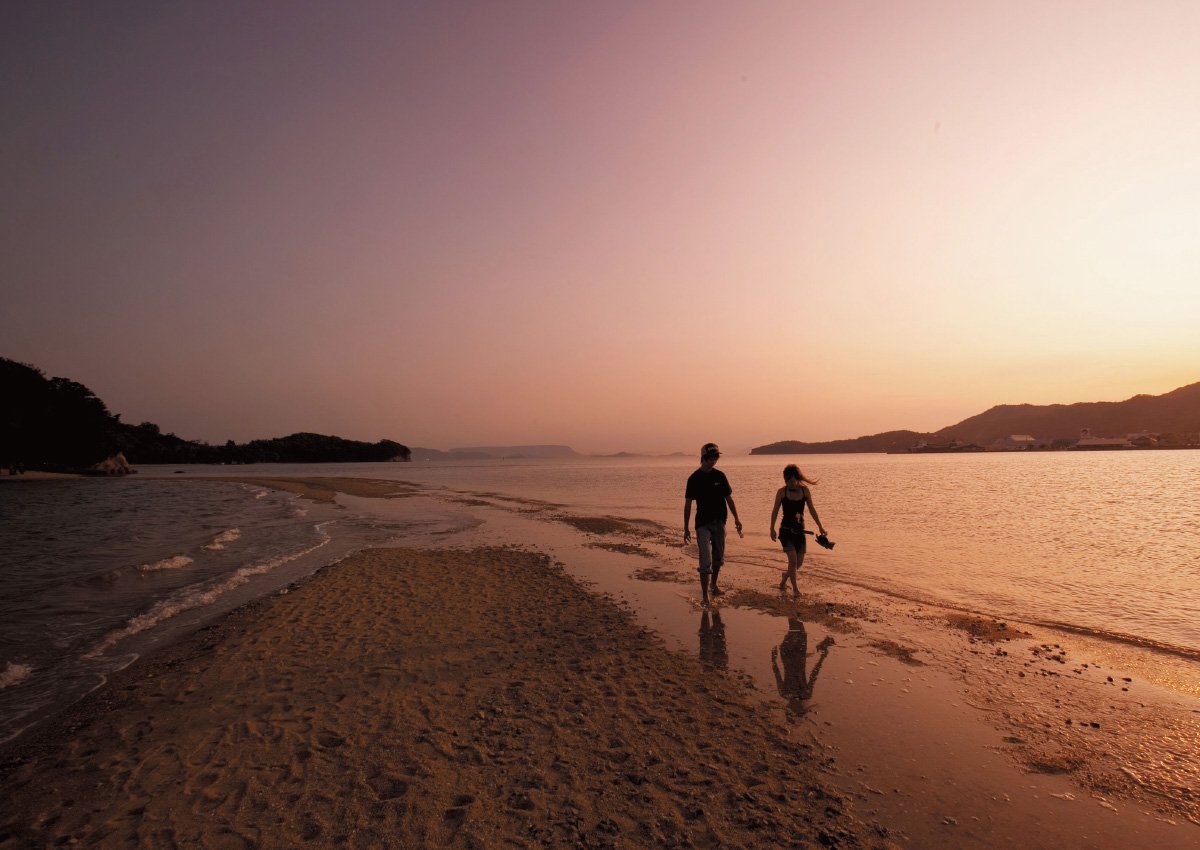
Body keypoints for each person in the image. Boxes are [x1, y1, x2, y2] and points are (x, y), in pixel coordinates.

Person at [683, 443, 743, 606]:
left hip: (720, 522)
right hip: (702, 524)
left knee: (718, 558)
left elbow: (728, 498)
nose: (714, 460)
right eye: (711, 457)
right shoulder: (694, 479)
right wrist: (686, 528)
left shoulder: (720, 476)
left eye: (716, 457)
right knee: (705, 560)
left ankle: (714, 584)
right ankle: (704, 596)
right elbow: (688, 504)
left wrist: (737, 518)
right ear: (704, 458)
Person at [769, 464, 826, 596]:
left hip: (800, 531)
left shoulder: (805, 491)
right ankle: (795, 589)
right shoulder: (781, 492)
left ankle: (784, 579)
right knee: (793, 561)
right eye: (787, 481)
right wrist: (772, 528)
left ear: (797, 478)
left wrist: (820, 526)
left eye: (792, 481)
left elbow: (812, 509)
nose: (789, 484)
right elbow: (775, 511)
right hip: (786, 531)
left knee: (798, 563)